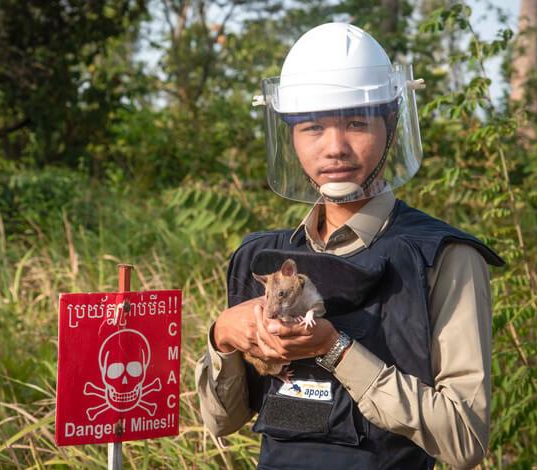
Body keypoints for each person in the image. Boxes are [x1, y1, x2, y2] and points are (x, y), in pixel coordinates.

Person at [195, 22, 504, 469]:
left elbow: (464, 440)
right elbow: (221, 422)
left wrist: (334, 349)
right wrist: (222, 336)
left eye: (357, 122)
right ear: (290, 136)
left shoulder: (441, 257)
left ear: (391, 125)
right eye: (313, 126)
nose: (335, 147)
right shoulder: (262, 260)